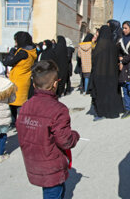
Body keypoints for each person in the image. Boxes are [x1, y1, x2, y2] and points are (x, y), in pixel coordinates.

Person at [16, 60, 80, 199]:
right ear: (55, 84)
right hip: (51, 164)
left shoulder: (26, 106)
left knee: (55, 190)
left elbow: (21, 129)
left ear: (34, 84)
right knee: (53, 193)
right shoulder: (58, 109)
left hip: (33, 160)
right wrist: (75, 135)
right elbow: (65, 141)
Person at [90, 25, 124, 119]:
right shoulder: (113, 46)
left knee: (101, 94)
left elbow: (94, 61)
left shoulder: (99, 46)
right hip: (112, 75)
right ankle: (112, 111)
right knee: (111, 94)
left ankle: (101, 112)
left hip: (99, 75)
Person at [4, 31, 37, 128]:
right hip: (24, 78)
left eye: (16, 40)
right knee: (17, 102)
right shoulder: (31, 51)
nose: (15, 43)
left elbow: (9, 62)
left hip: (18, 79)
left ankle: (20, 123)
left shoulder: (23, 52)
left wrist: (11, 53)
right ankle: (18, 122)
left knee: (17, 103)